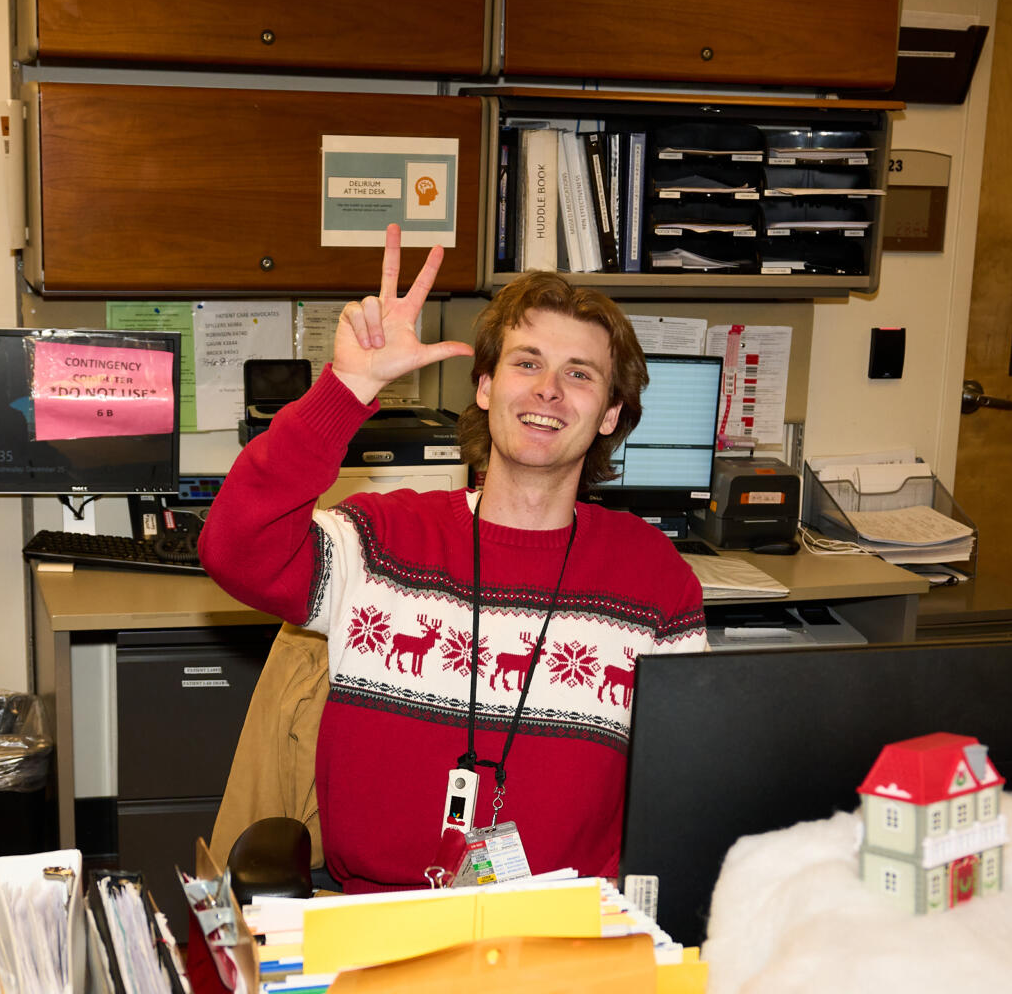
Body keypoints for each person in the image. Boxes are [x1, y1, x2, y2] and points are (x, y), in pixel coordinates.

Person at [200, 225, 707, 892]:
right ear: (486, 386)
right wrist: (346, 389)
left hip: (564, 924)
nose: (549, 390)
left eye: (579, 374)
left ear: (610, 414)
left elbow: (685, 787)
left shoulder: (655, 580)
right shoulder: (379, 541)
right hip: (382, 919)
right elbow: (236, 550)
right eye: (527, 363)